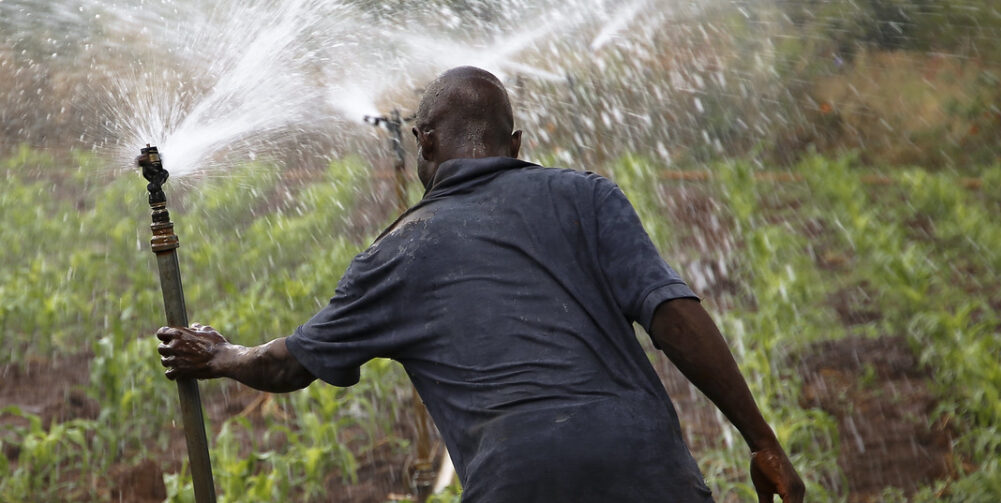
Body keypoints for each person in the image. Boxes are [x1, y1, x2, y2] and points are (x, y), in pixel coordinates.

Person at [154, 66, 804, 502]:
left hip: (520, 482)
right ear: (516, 142)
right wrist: (761, 437)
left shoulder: (398, 250)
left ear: (424, 142)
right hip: (650, 471)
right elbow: (675, 317)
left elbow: (288, 364)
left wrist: (218, 355)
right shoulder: (588, 196)